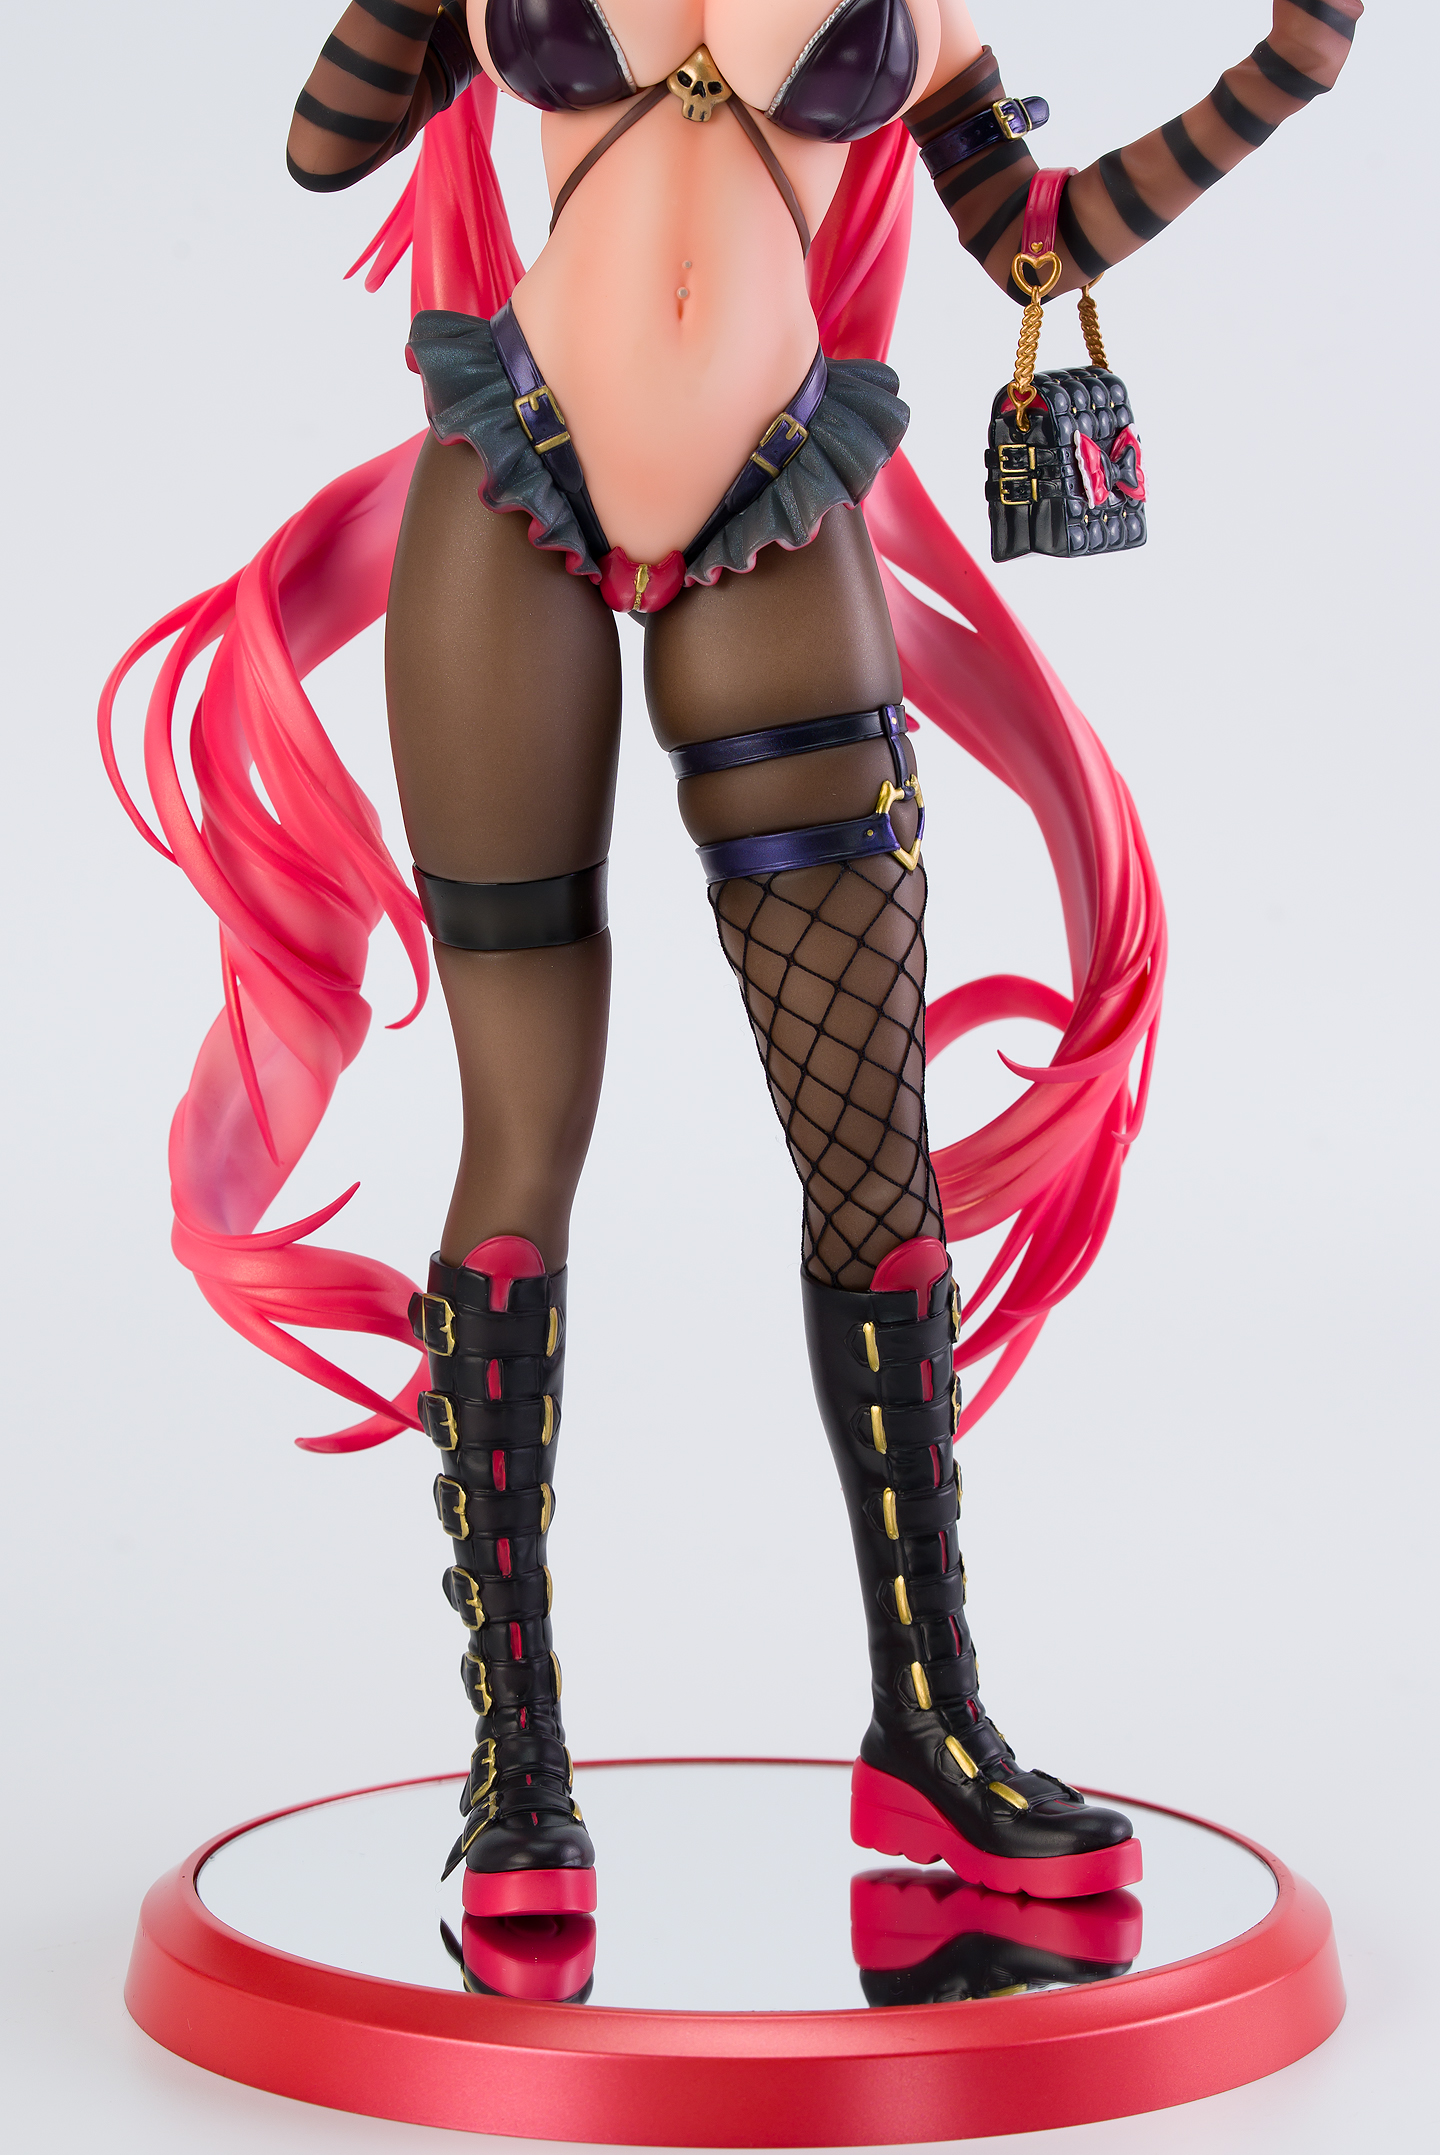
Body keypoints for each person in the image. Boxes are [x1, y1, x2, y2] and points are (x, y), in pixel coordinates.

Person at [101, 0, 1360, 1924]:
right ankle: (518, 1766)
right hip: (506, 484)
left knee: (869, 1154)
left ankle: (930, 1723)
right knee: (520, 1145)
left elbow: (1036, 244)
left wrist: (1285, 75)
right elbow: (321, 150)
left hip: (776, 499)